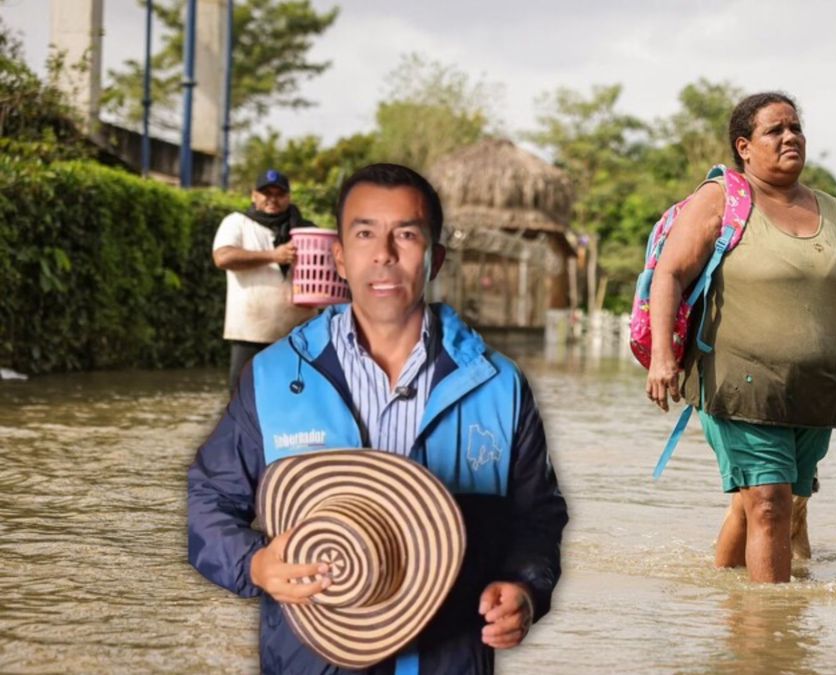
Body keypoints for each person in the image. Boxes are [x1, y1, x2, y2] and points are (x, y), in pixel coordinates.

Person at [189, 163, 569, 673]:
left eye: (406, 235)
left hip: (447, 658)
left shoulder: (499, 386)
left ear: (436, 259)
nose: (384, 255)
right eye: (365, 233)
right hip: (309, 661)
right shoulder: (274, 376)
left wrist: (525, 586)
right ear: (340, 258)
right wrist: (254, 563)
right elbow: (210, 499)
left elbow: (537, 516)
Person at [645, 92, 836, 583]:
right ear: (745, 146)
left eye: (795, 127)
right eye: (775, 130)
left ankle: (723, 593)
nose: (790, 136)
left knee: (773, 504)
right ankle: (770, 635)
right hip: (741, 382)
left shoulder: (832, 210)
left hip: (813, 392)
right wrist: (662, 358)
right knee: (770, 506)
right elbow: (669, 274)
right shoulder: (721, 201)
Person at [212, 169, 316, 392]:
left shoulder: (307, 230)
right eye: (265, 193)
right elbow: (223, 257)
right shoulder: (237, 223)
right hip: (251, 331)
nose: (272, 199)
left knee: (296, 401)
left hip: (299, 333)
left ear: (288, 197)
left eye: (279, 194)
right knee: (244, 400)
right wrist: (273, 256)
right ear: (254, 195)